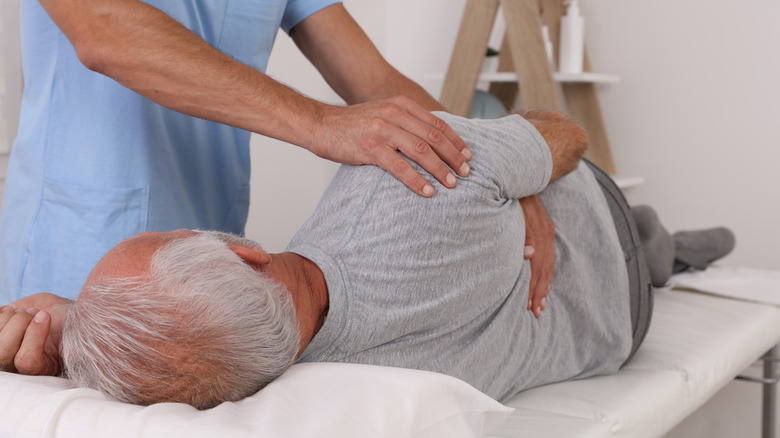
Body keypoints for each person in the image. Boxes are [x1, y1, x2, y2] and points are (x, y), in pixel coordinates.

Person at [0, 111, 734, 409]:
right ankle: (675, 249)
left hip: (612, 335)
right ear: (247, 255)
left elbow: (173, 357)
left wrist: (81, 336)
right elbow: (566, 132)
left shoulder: (287, 380)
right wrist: (524, 176)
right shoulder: (399, 176)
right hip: (594, 227)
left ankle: (675, 255)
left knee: (660, 259)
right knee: (650, 237)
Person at [1, 0, 495, 302]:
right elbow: (102, 30)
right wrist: (321, 123)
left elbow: (373, 81)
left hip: (211, 258)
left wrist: (499, 171)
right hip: (74, 249)